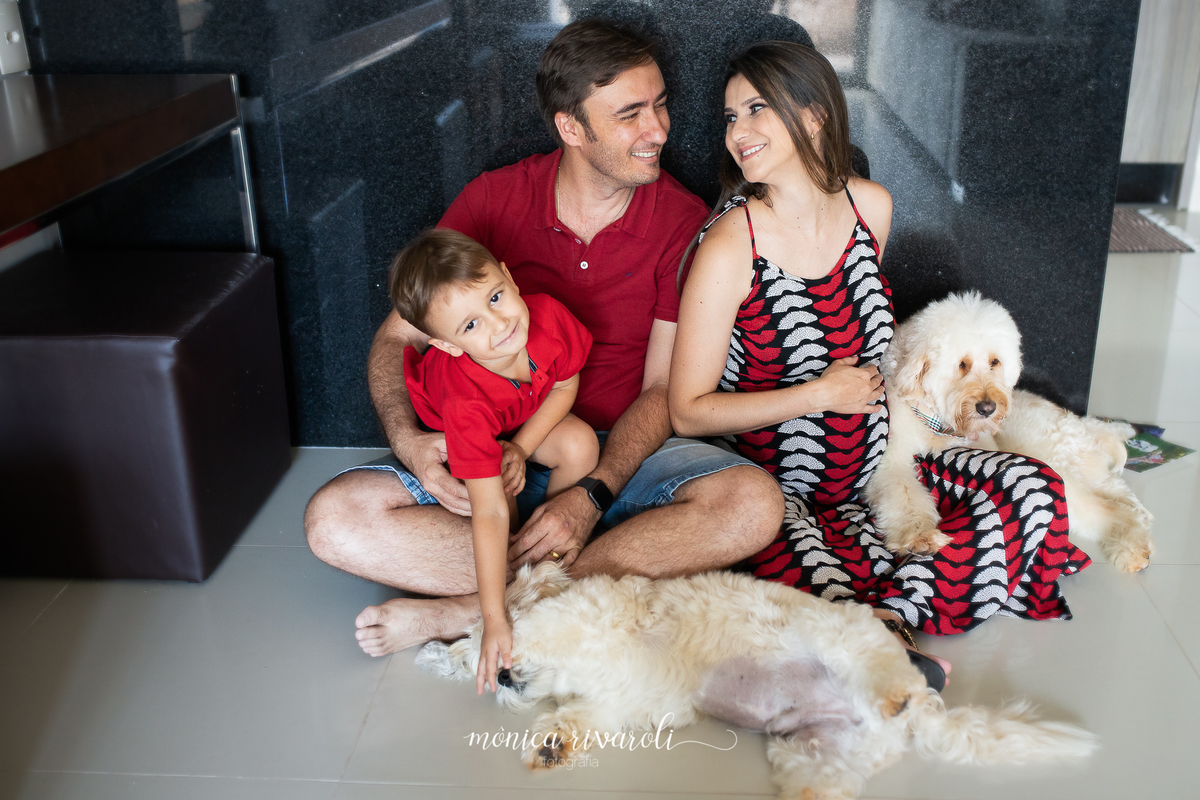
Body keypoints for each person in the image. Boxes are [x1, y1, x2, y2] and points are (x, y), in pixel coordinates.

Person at [304, 19, 785, 662]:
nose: (658, 131)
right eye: (630, 115)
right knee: (334, 520)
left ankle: (472, 612)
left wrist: (591, 495)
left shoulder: (683, 220)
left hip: (624, 459)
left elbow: (663, 389)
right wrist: (409, 443)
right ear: (570, 127)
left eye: (661, 104)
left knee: (752, 504)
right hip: (494, 448)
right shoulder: (493, 201)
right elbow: (397, 338)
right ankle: (601, 574)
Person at [669, 41, 1091, 685]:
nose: (738, 132)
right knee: (796, 570)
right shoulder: (731, 245)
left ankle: (879, 620)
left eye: (756, 109)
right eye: (730, 116)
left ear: (814, 114)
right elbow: (688, 412)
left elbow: (865, 332)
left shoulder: (871, 207)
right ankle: (891, 621)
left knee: (1034, 490)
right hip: (781, 488)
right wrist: (816, 396)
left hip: (884, 467)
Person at [389, 228, 599, 692]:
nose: (500, 323)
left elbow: (564, 385)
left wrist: (520, 447)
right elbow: (488, 511)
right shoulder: (463, 403)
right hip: (457, 426)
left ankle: (549, 555)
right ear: (447, 345)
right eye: (470, 326)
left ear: (509, 277)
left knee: (581, 445)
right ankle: (509, 578)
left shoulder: (548, 318)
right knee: (500, 494)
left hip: (517, 412)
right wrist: (494, 618)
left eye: (496, 297)